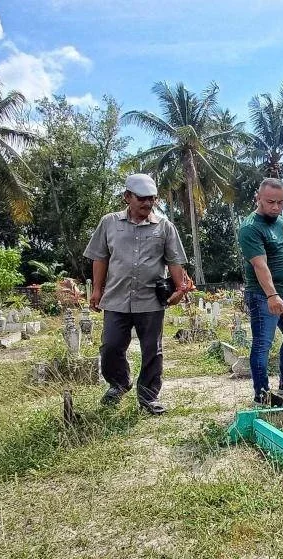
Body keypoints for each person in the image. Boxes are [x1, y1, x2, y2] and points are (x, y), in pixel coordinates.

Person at [84, 173, 190, 414]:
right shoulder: (109, 223)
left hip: (151, 299)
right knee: (110, 346)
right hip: (116, 297)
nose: (147, 204)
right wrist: (97, 291)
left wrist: (180, 290)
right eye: (141, 198)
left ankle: (148, 397)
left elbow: (174, 262)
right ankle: (119, 383)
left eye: (151, 199)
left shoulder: (164, 226)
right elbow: (100, 257)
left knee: (152, 350)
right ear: (127, 197)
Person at [238, 178, 283, 404]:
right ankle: (262, 394)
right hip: (263, 295)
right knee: (262, 344)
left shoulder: (282, 222)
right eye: (270, 202)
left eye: (281, 202)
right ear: (258, 198)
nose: (276, 207)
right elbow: (260, 265)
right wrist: (272, 295)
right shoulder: (250, 228)